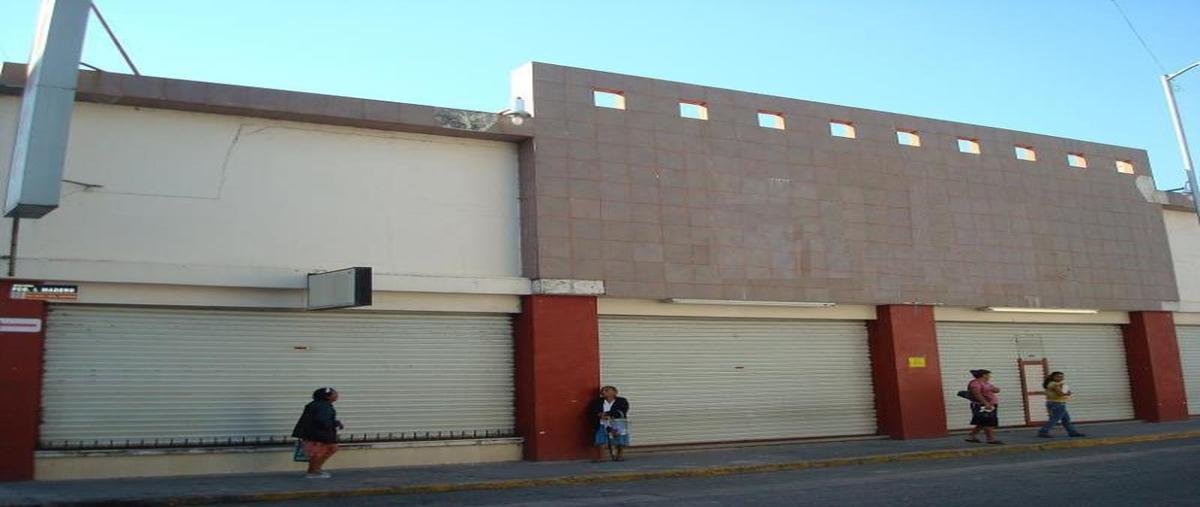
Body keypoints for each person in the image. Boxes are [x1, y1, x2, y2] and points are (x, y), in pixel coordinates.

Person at [291, 387, 344, 478]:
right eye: (334, 393)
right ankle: (313, 471)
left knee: (328, 449)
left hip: (316, 434)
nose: (337, 395)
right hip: (317, 435)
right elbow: (322, 420)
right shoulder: (323, 406)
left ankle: (315, 469)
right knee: (319, 453)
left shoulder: (320, 405)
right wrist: (333, 425)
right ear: (327, 396)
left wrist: (335, 423)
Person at [1038, 372, 1086, 438]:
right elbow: (1060, 394)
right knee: (1055, 419)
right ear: (1053, 377)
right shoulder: (1054, 384)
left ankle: (1072, 432)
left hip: (1056, 403)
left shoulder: (1055, 384)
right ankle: (1043, 431)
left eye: (1062, 376)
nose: (1061, 378)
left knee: (1066, 419)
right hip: (1057, 404)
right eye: (1058, 376)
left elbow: (1060, 392)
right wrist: (1067, 393)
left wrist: (1065, 391)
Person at [588, 385, 630, 461]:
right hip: (602, 423)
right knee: (601, 439)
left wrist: (607, 414)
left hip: (617, 423)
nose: (604, 392)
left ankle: (619, 455)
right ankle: (602, 457)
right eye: (603, 390)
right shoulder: (597, 401)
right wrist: (599, 414)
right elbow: (593, 410)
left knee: (619, 439)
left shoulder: (622, 400)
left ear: (615, 392)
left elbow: (623, 410)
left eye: (607, 390)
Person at [965, 369, 1004, 445]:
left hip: (990, 404)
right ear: (983, 375)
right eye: (988, 375)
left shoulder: (985, 383)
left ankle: (971, 436)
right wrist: (985, 403)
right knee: (988, 422)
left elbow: (993, 390)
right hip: (982, 405)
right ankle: (991, 439)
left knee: (982, 422)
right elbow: (977, 394)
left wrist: (996, 389)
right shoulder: (975, 383)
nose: (990, 376)